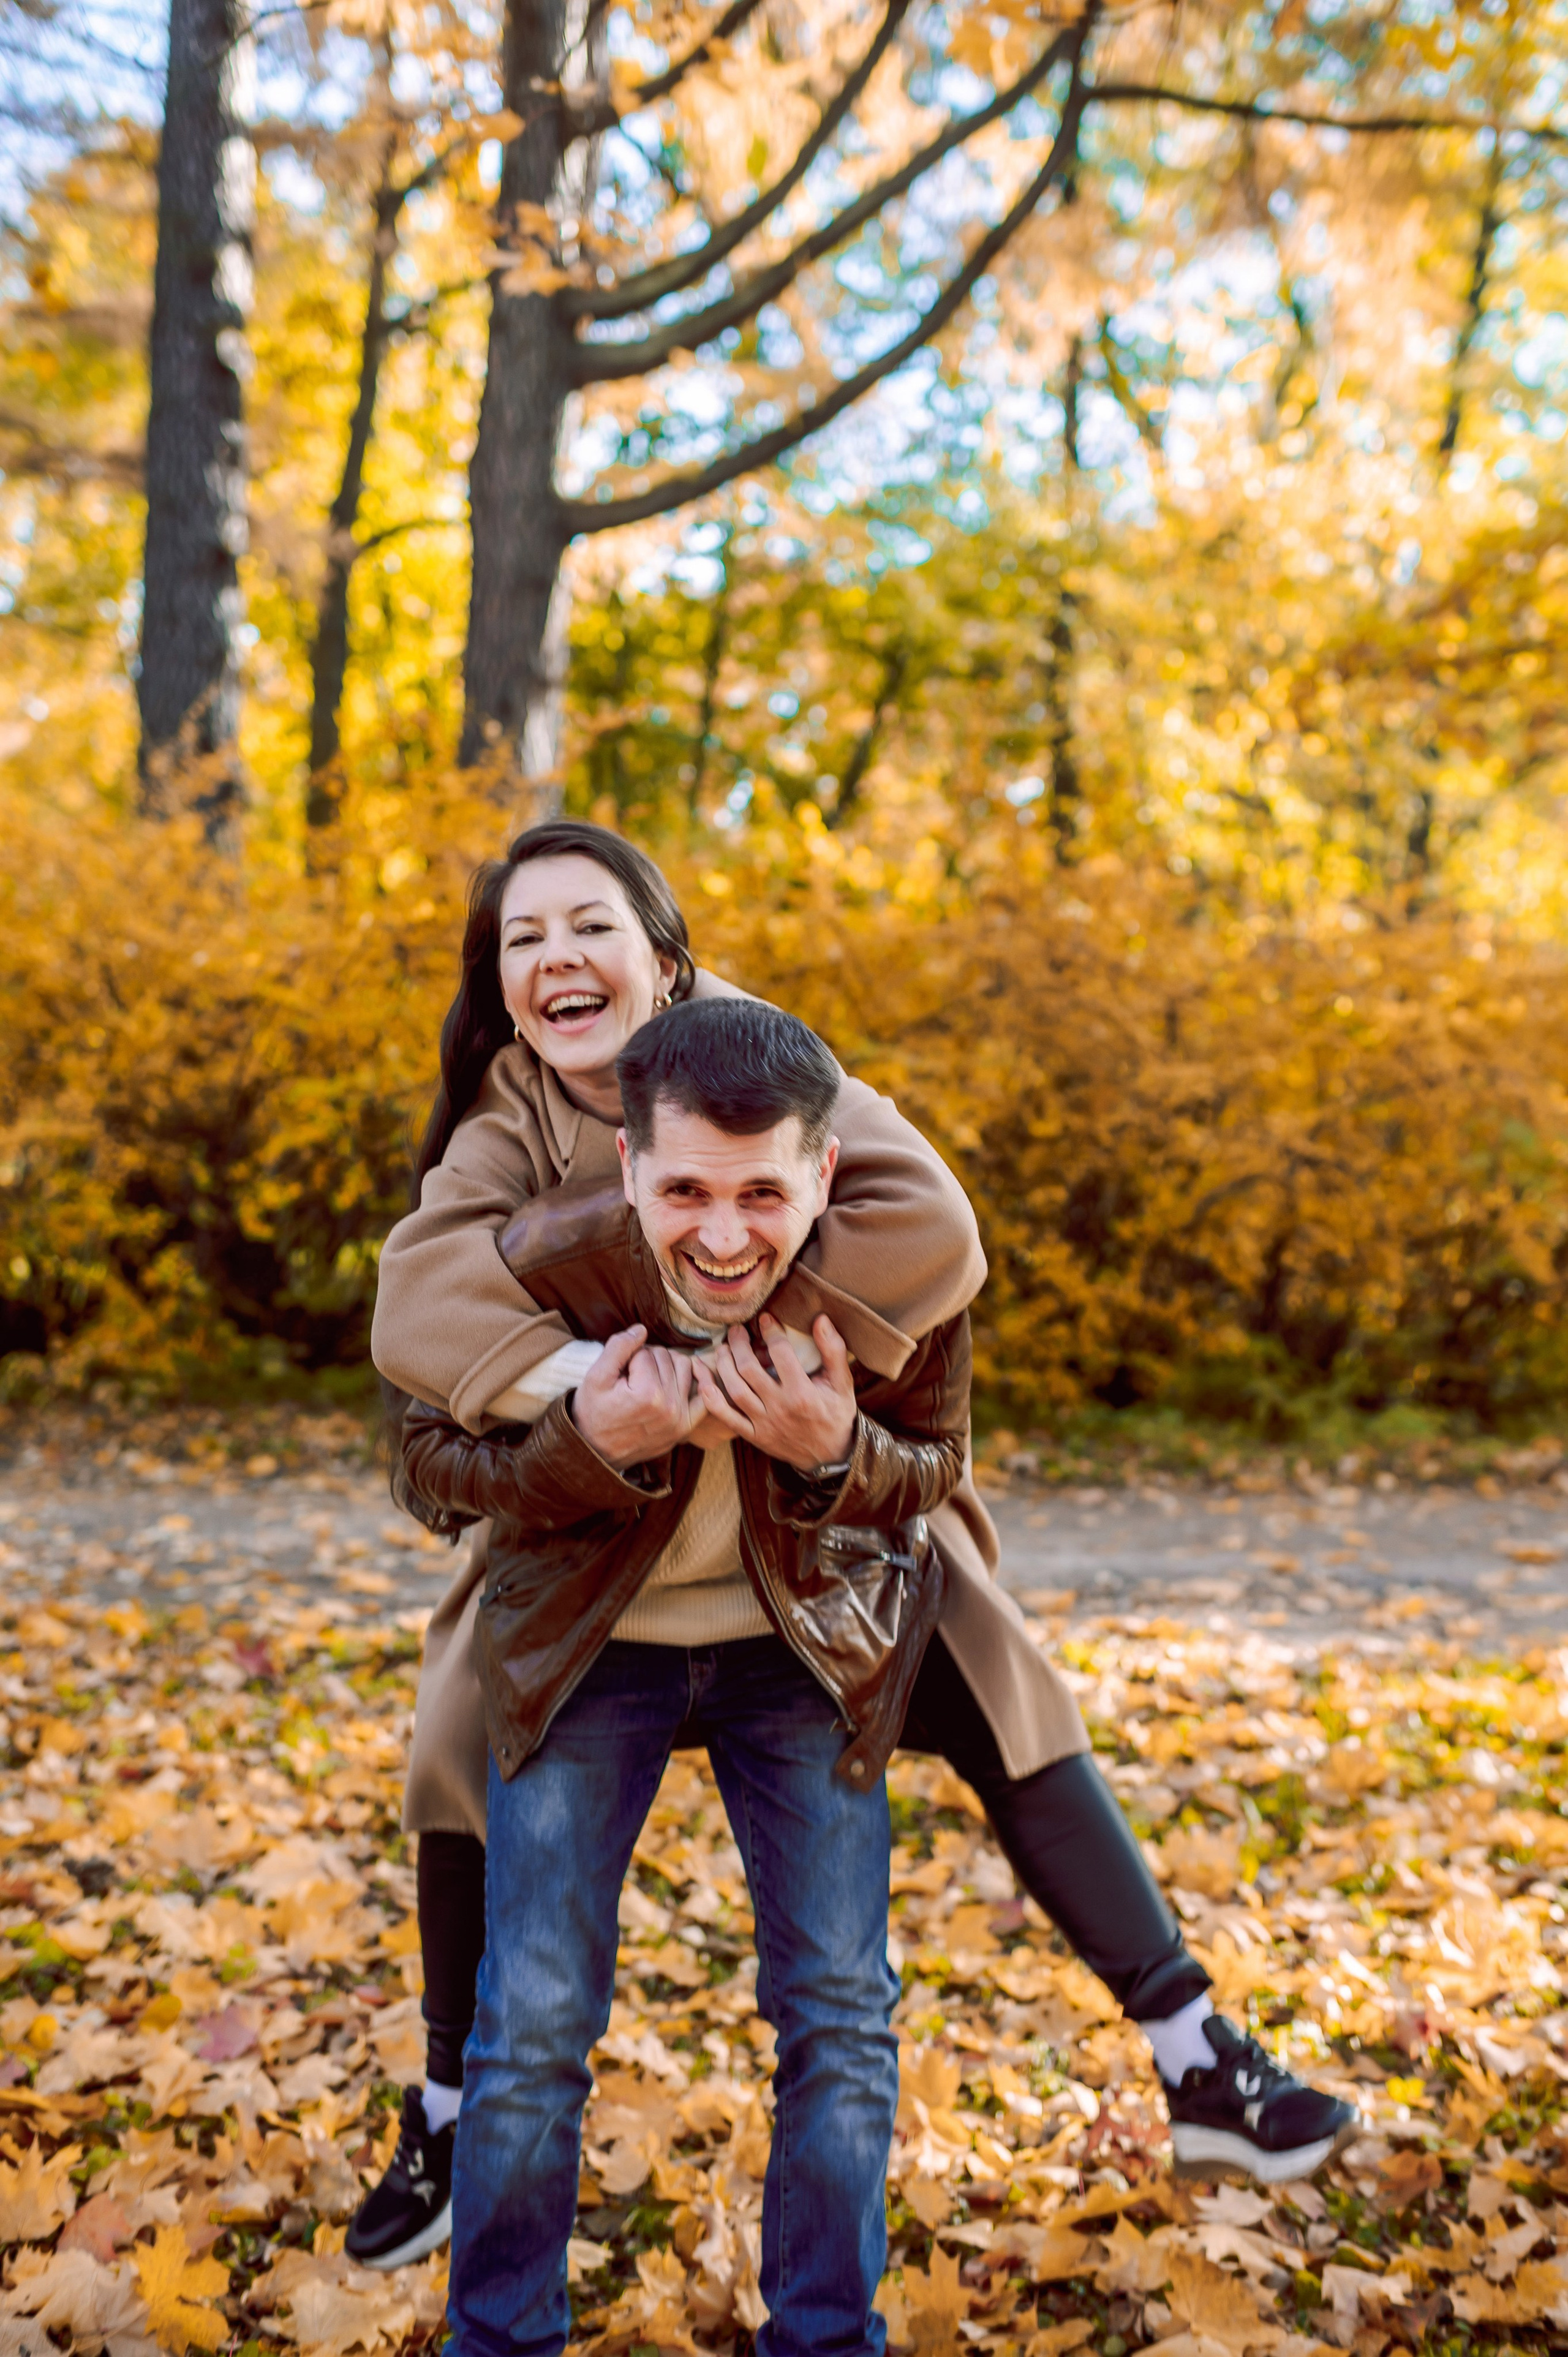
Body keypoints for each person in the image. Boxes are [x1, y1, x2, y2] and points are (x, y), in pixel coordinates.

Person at [350, 821, 1356, 2272]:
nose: (558, 958)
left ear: (664, 955)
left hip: (810, 1527)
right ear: (502, 988)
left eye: (591, 927)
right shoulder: (507, 1123)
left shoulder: (757, 1058)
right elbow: (419, 1308)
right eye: (522, 940)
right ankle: (454, 2105)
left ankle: (1197, 2051)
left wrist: (754, 1348)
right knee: (456, 1726)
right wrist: (600, 1385)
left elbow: (931, 1225)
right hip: (606, 1540)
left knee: (1010, 1693)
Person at [400, 999, 973, 2357]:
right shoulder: (540, 1266)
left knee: (838, 2009)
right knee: (531, 2017)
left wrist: (837, 1448)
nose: (724, 1236)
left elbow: (934, 1462)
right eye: (686, 1193)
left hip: (803, 1650)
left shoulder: (888, 1279)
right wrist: (587, 1441)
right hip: (589, 1654)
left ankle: (827, 2338)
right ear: (627, 1165)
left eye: (763, 1193)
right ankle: (499, 2338)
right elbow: (429, 1470)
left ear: (823, 1174)